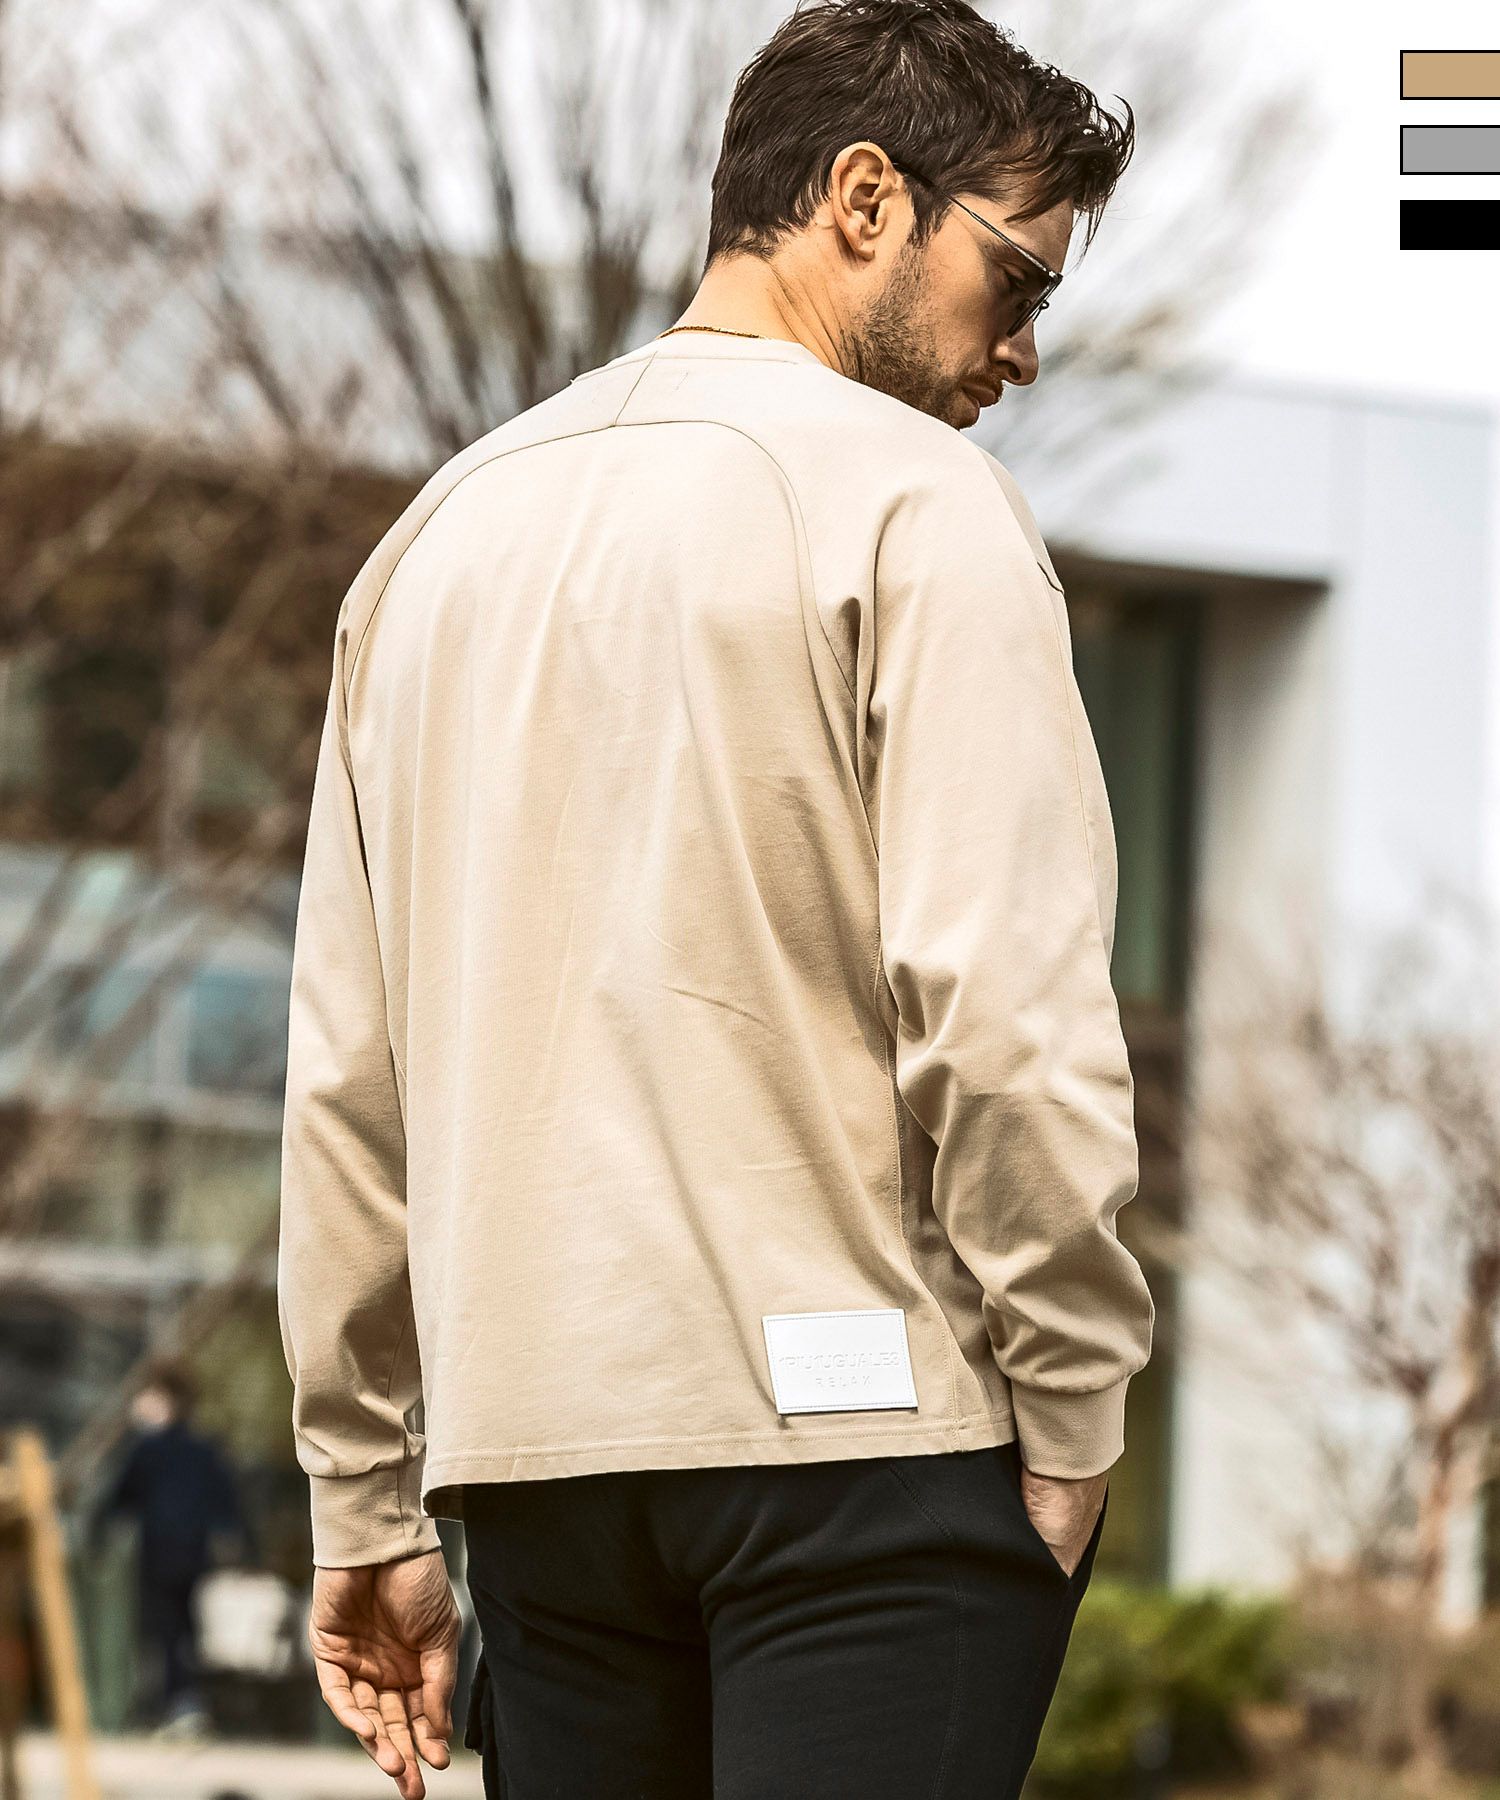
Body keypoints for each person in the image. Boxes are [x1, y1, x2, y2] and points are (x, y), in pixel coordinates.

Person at [275, 2, 1156, 1794]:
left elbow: (350, 1079)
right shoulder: (923, 508)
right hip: (869, 1466)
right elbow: (1003, 1017)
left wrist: (362, 1492)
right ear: (862, 198)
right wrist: (1075, 1400)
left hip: (539, 1476)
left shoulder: (434, 541)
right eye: (1014, 278)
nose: (1023, 350)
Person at [89, 1356, 256, 1735]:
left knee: (163, 1630)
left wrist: (98, 1533)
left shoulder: (147, 1448)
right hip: (194, 1554)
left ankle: (176, 1703)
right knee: (185, 1628)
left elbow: (119, 1498)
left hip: (159, 1553)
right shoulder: (205, 1448)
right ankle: (185, 1700)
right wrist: (242, 1544)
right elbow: (227, 1502)